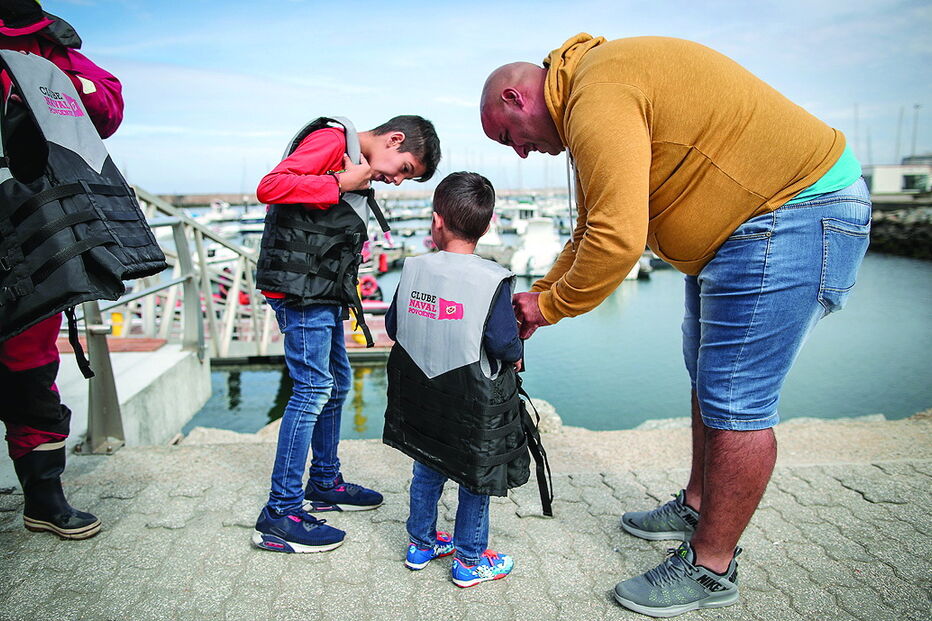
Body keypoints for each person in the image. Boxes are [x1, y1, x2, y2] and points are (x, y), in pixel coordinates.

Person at [480, 34, 871, 617]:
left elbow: (617, 242)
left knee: (736, 400)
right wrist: (541, 292)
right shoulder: (589, 90)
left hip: (791, 215)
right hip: (738, 234)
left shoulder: (597, 93)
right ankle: (697, 504)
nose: (518, 152)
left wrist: (550, 307)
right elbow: (591, 227)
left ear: (517, 97)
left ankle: (711, 565)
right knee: (708, 376)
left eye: (509, 135)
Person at [251, 115, 441, 553]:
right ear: (394, 139)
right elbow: (272, 186)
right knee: (313, 389)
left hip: (322, 291)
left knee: (336, 385)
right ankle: (279, 513)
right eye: (404, 169)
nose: (395, 180)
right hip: (300, 292)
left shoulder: (351, 159)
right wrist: (339, 183)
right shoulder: (332, 141)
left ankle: (324, 482)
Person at [0, 0, 127, 540]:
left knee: (29, 361)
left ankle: (44, 499)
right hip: (32, 219)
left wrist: (55, 77)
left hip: (31, 221)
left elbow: (108, 107)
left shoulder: (48, 43)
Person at [382, 172, 525, 587]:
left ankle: (421, 544)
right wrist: (516, 357)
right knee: (474, 479)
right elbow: (503, 343)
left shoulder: (412, 269)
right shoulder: (491, 278)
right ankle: (468, 560)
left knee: (426, 470)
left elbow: (395, 325)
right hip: (469, 405)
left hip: (423, 399)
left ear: (436, 220)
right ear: (488, 222)